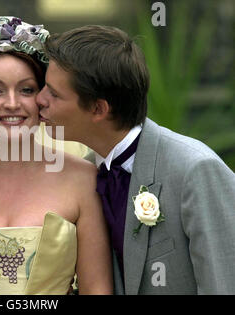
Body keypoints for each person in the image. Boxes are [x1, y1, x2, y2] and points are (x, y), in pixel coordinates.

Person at [36, 25, 235, 294]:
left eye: (54, 93)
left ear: (98, 109)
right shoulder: (85, 173)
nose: (39, 100)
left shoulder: (195, 169)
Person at [0, 17, 113, 295]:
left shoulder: (83, 180)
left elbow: (97, 289)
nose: (13, 104)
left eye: (26, 89)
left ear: (43, 97)